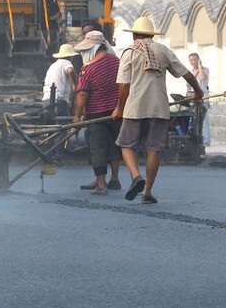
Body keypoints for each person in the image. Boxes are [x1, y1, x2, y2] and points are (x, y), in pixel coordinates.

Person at [113, 17, 203, 204]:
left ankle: (136, 176)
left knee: (126, 145)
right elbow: (186, 74)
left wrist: (119, 109)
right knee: (153, 149)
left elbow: (124, 86)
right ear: (152, 35)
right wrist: (198, 92)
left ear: (134, 35)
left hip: (134, 108)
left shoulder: (129, 53)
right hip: (158, 108)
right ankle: (147, 192)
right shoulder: (162, 51)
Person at [72, 30, 122, 194]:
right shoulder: (117, 62)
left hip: (96, 114)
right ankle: (114, 179)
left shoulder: (88, 68)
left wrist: (77, 117)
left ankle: (101, 184)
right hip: (116, 111)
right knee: (114, 144)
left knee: (98, 148)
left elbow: (82, 94)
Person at [42, 43, 78, 117]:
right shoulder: (66, 62)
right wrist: (75, 84)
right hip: (59, 99)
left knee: (49, 122)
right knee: (62, 122)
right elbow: (70, 70)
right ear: (70, 57)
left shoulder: (53, 65)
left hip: (46, 100)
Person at [186, 52, 211, 145]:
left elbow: (202, 77)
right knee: (192, 119)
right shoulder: (190, 72)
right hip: (192, 98)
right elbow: (188, 86)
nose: (193, 62)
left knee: (204, 120)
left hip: (203, 97)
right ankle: (196, 139)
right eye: (191, 60)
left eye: (195, 60)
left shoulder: (205, 69)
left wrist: (200, 66)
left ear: (198, 60)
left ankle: (206, 140)